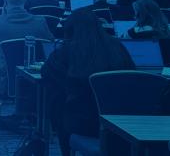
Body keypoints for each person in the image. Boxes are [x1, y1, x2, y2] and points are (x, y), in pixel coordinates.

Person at [41, 11, 134, 156]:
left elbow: (46, 74)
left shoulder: (64, 53)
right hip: (120, 123)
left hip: (82, 123)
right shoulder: (117, 47)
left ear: (69, 29)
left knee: (58, 98)